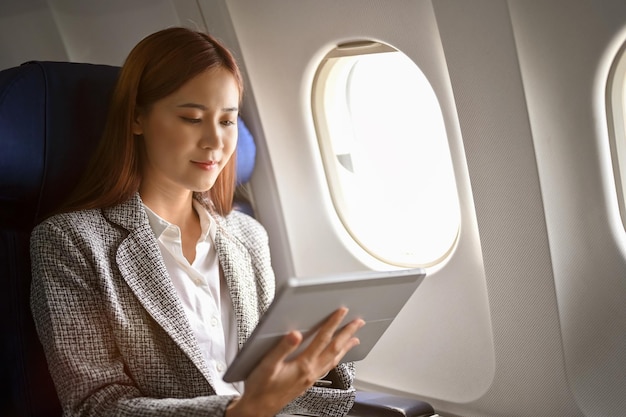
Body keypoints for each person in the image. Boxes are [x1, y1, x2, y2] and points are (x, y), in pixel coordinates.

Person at [29, 27, 364, 417]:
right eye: (192, 118)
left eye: (227, 121)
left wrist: (318, 357)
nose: (215, 142)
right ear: (137, 118)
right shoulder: (70, 241)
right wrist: (241, 410)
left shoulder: (247, 237)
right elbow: (95, 404)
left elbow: (270, 373)